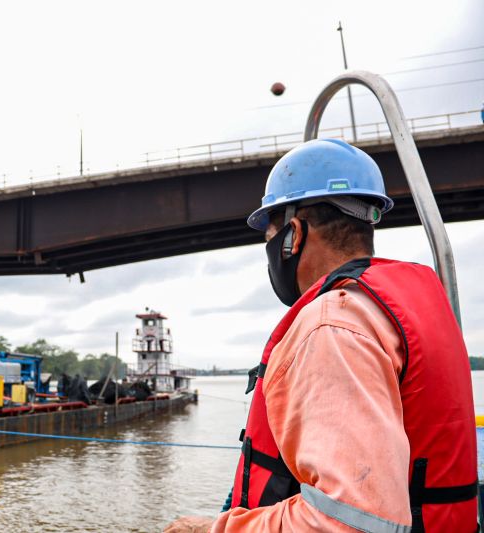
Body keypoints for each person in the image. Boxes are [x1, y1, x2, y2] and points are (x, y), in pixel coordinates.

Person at [165, 139, 477, 532]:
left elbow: (352, 522)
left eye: (270, 240)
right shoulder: (395, 309)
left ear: (293, 235)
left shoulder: (334, 325)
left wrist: (213, 530)